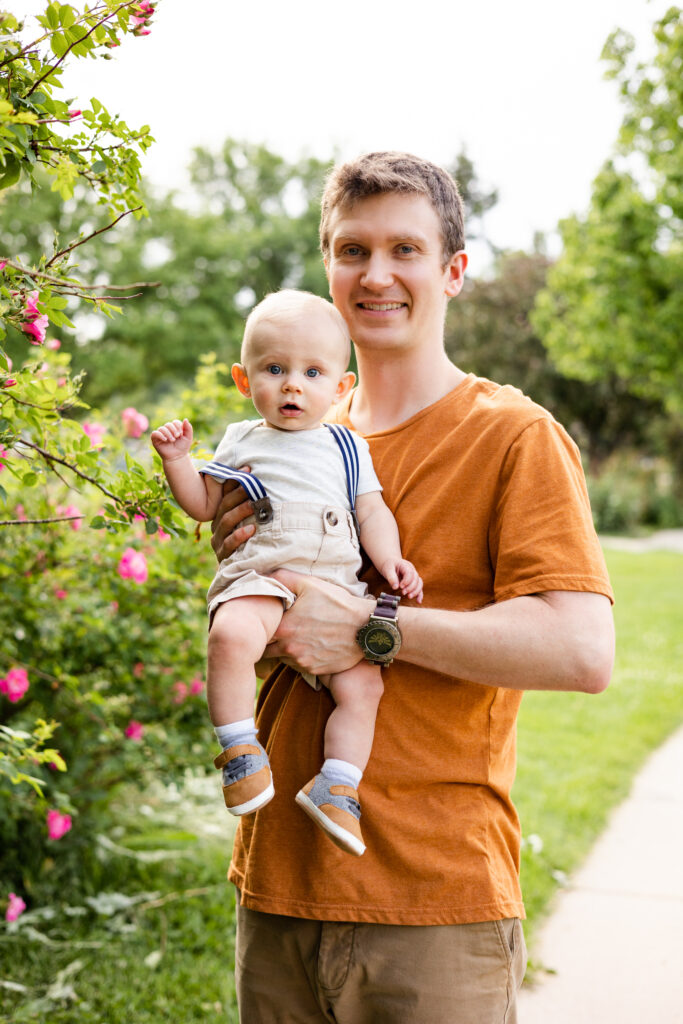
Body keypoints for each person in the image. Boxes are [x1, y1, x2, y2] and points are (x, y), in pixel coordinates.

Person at [211, 152, 615, 1024]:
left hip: (433, 906)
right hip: (278, 886)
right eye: (352, 250)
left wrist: (370, 628)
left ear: (453, 271)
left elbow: (582, 651)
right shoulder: (280, 440)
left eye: (405, 249)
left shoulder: (514, 437)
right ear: (327, 264)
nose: (376, 274)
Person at [151, 289, 422, 858]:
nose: (293, 385)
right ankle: (240, 752)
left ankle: (337, 783)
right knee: (229, 636)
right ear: (244, 381)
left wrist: (392, 560)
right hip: (264, 577)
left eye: (312, 372)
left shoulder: (348, 447)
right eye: (274, 370)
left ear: (340, 387)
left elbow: (371, 510)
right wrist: (178, 462)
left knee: (364, 687)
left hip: (336, 591)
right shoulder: (243, 439)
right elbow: (205, 505)